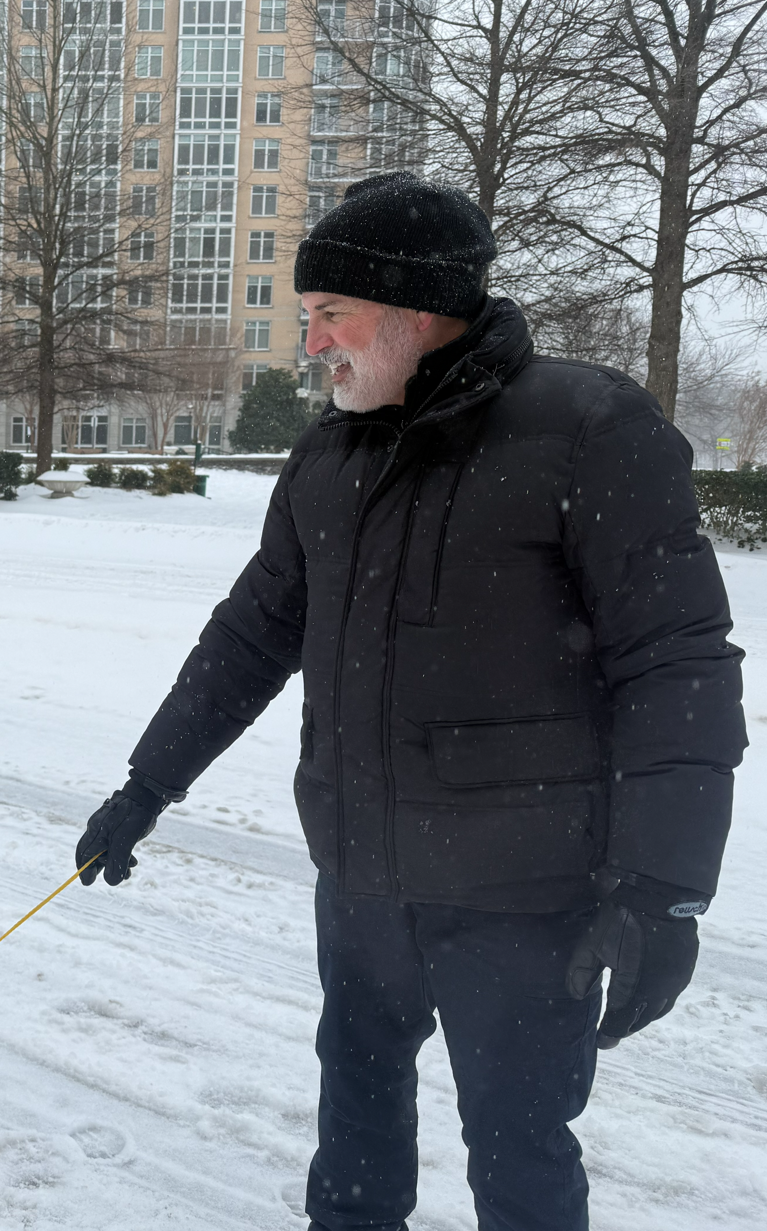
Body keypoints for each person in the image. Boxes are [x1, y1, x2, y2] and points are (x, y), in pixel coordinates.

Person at [73, 172, 745, 1231]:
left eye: (330, 313)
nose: (312, 345)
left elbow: (677, 663)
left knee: (520, 1155)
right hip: (362, 882)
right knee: (355, 1130)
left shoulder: (589, 428)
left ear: (414, 308)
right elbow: (251, 635)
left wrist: (663, 888)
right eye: (308, 316)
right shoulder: (330, 451)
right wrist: (145, 786)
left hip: (523, 898)